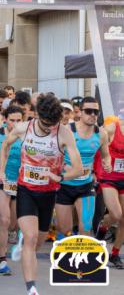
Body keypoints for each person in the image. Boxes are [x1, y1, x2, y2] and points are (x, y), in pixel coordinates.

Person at [0, 94, 83, 295]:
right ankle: (31, 288)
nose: (49, 128)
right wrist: (1, 171)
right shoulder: (24, 128)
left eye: (53, 124)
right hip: (25, 189)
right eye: (45, 124)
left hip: (49, 193)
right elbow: (5, 146)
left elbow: (77, 169)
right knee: (31, 236)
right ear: (37, 115)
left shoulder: (64, 133)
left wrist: (58, 176)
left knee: (38, 242)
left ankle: (23, 246)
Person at [55, 97, 111, 237]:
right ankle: (65, 246)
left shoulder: (101, 134)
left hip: (86, 185)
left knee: (85, 227)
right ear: (79, 112)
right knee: (64, 228)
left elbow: (106, 155)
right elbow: (54, 153)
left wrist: (107, 162)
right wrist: (60, 167)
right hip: (64, 185)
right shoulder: (67, 131)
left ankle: (80, 257)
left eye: (96, 112)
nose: (92, 114)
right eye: (88, 111)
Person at [0, 106, 25, 276]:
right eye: (12, 120)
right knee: (5, 219)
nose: (16, 124)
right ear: (5, 119)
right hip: (3, 181)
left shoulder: (27, 135)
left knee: (13, 224)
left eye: (19, 120)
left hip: (21, 182)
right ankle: (2, 260)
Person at [95, 110, 124, 268]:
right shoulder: (113, 127)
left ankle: (114, 254)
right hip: (109, 178)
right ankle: (103, 226)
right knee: (116, 214)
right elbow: (96, 142)